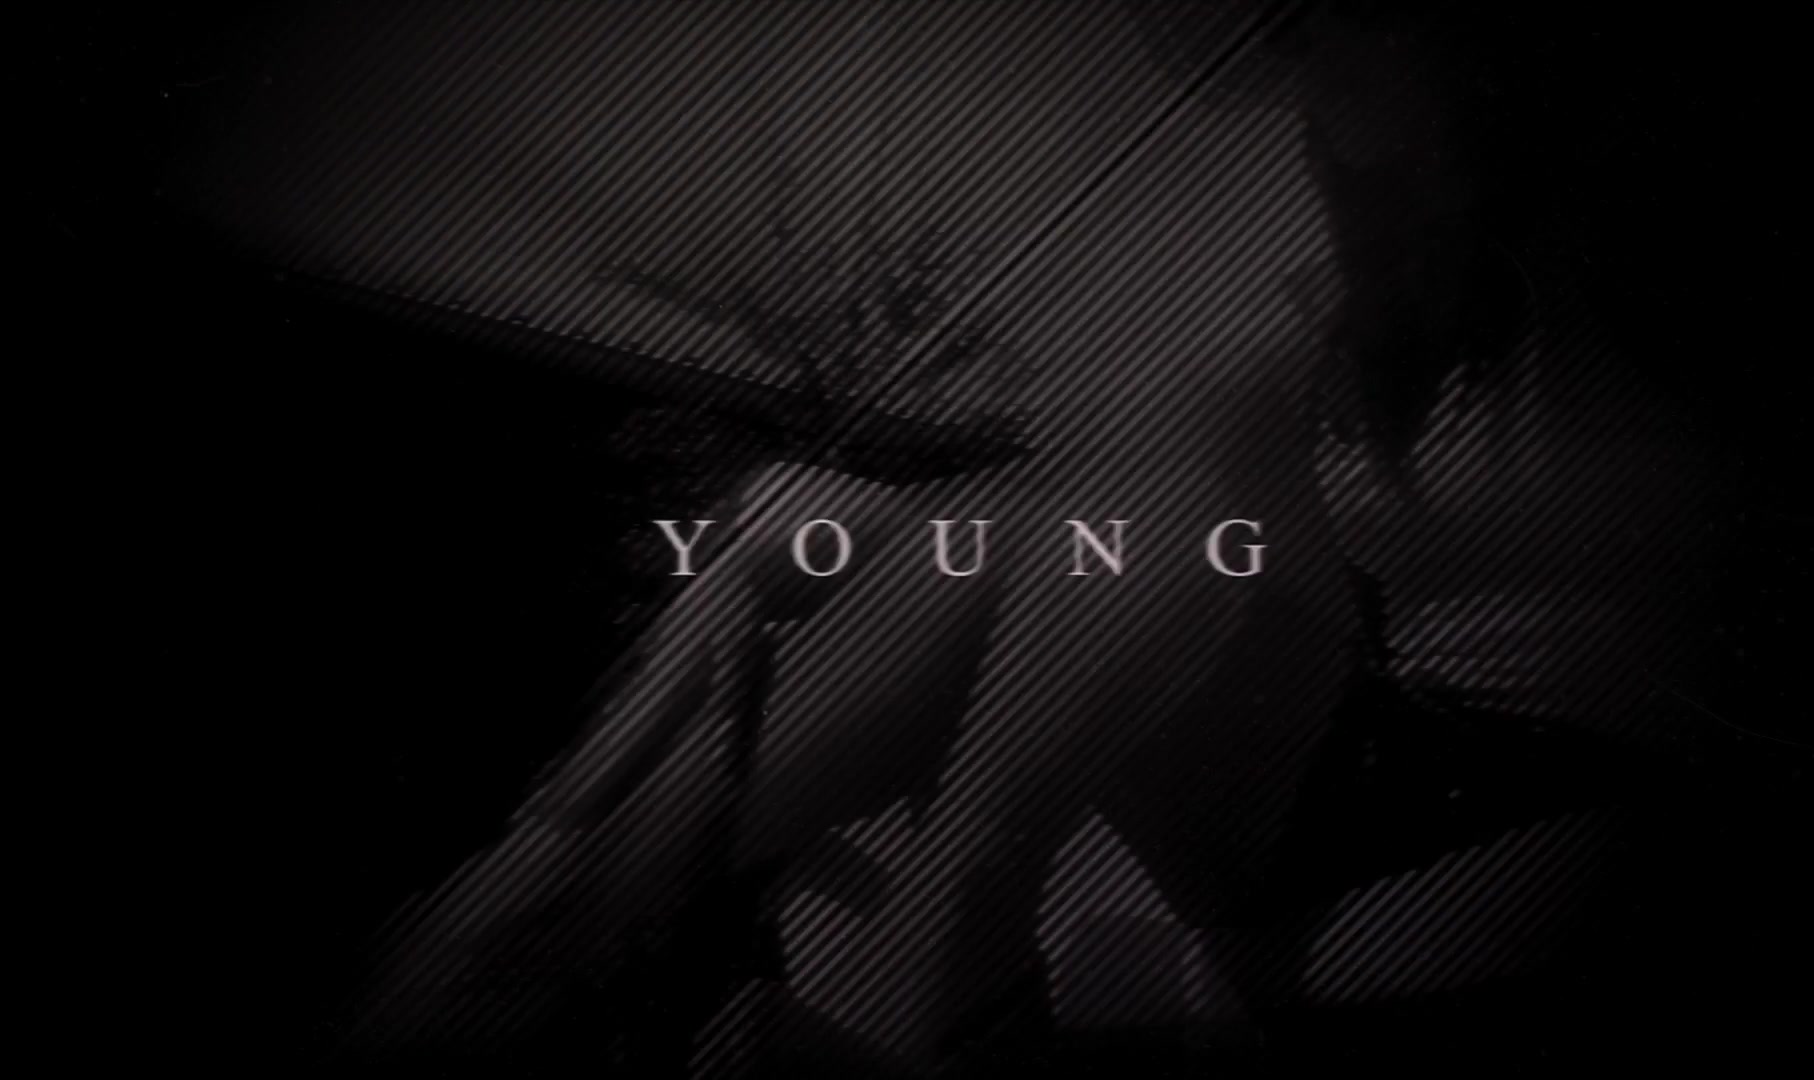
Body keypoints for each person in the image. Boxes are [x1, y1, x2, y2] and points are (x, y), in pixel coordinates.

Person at [171, 2, 1728, 1072]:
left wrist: (1223, 985)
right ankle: (579, 891)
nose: (1292, 79)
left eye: (1326, 29)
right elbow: (1151, 459)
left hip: (1509, 835)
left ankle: (657, 917)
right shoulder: (1384, 275)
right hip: (1335, 739)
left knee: (1106, 491)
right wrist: (819, 539)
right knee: (1009, 513)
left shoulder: (1689, 288)